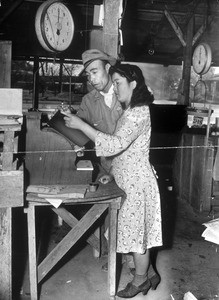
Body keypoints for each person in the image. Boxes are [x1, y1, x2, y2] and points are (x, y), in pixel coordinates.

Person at [63, 63, 163, 298]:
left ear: (133, 83)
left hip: (138, 184)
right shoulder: (131, 110)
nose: (115, 87)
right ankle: (150, 274)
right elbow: (124, 151)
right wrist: (113, 172)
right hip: (128, 179)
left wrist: (82, 125)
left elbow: (116, 144)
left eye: (118, 83)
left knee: (138, 236)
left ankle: (140, 281)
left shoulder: (139, 112)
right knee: (131, 232)